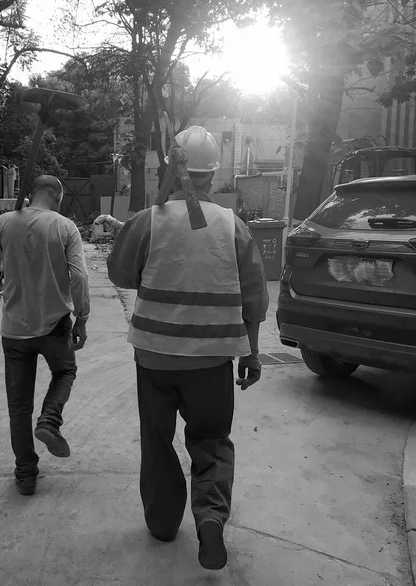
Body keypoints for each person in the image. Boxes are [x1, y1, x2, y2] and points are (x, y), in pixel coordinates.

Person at [106, 126, 268, 570]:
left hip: (155, 357)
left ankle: (162, 524)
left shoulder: (147, 219)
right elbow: (254, 298)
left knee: (157, 442)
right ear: (211, 176)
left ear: (171, 170)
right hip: (213, 361)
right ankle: (211, 519)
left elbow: (120, 274)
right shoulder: (231, 225)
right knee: (211, 442)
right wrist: (251, 353)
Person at [0, 175, 90, 496]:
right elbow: (79, 277)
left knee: (18, 408)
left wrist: (7, 241)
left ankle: (26, 475)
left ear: (28, 195)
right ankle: (49, 420)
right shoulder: (64, 226)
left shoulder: (5, 222)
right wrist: (82, 317)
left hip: (15, 329)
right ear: (58, 196)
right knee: (65, 371)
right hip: (54, 323)